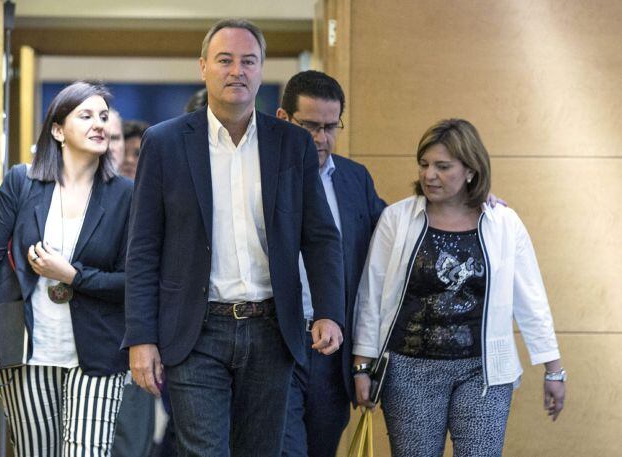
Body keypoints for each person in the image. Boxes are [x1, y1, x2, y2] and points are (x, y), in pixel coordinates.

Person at [123, 18, 345, 456]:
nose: (237, 71)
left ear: (261, 70)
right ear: (203, 66)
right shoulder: (164, 143)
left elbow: (319, 236)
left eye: (249, 61)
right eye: (225, 60)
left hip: (271, 329)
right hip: (195, 330)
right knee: (205, 451)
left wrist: (328, 311)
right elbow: (143, 248)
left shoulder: (291, 144)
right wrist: (141, 338)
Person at [352, 119, 566, 456]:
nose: (429, 175)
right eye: (424, 165)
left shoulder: (503, 223)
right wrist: (362, 366)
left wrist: (554, 370)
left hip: (483, 370)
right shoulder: (397, 219)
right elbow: (371, 296)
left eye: (442, 166)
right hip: (410, 369)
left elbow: (531, 299)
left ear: (470, 170)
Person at [0, 81, 134, 456]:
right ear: (58, 130)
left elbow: (134, 281)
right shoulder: (21, 182)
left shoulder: (126, 195)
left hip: (99, 353)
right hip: (28, 352)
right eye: (86, 115)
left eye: (104, 117)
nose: (99, 125)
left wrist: (71, 276)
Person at [276, 70, 386, 457]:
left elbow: (396, 232)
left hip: (330, 350)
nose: (321, 138)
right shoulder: (258, 176)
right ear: (282, 119)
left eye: (329, 126)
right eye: (310, 126)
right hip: (275, 342)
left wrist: (469, 201)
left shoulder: (355, 179)